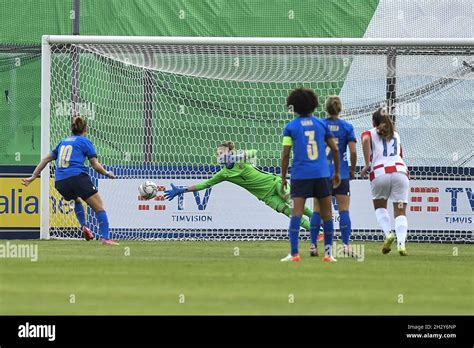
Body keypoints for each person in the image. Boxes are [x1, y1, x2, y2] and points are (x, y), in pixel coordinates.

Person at [163, 141, 322, 234]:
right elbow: (205, 184)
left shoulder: (241, 160)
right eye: (217, 154)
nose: (219, 156)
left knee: (295, 205)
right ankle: (318, 233)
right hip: (266, 197)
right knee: (289, 212)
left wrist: (237, 156)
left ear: (230, 152)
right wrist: (182, 190)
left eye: (221, 152)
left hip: (275, 183)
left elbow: (254, 151)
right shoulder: (224, 173)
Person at [21, 116, 119, 245]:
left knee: (76, 200)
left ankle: (84, 226)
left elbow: (45, 159)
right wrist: (107, 173)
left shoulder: (63, 142)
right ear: (86, 129)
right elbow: (95, 165)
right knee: (99, 208)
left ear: (71, 129)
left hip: (60, 181)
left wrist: (34, 176)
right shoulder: (85, 142)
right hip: (77, 177)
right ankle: (105, 238)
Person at [280, 87, 341, 262]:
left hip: (300, 174)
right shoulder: (322, 124)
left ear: (294, 106)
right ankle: (328, 254)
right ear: (314, 105)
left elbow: (285, 154)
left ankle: (294, 253)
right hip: (321, 173)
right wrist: (336, 171)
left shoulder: (290, 127)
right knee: (327, 214)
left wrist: (284, 177)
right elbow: (335, 148)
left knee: (296, 213)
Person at [361, 108, 409, 256]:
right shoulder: (396, 134)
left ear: (374, 122)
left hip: (380, 174)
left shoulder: (370, 132)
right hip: (400, 173)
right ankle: (401, 244)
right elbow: (400, 154)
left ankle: (388, 233)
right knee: (400, 210)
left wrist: (367, 164)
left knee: (380, 207)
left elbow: (365, 140)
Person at [321, 96, 358, 257]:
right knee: (344, 211)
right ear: (340, 109)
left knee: (322, 212)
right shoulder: (347, 127)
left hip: (323, 173)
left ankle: (319, 247)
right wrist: (352, 170)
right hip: (341, 173)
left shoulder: (320, 125)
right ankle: (346, 246)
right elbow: (353, 151)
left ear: (326, 109)